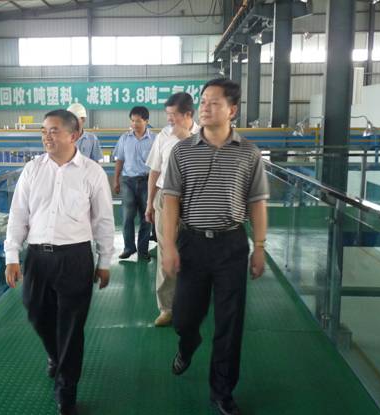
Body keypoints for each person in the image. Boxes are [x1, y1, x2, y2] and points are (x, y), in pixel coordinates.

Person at [162, 78, 268, 415]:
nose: (205, 108)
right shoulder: (182, 151)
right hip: (191, 243)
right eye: (203, 101)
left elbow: (257, 203)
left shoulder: (249, 153)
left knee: (229, 322)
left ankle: (222, 391)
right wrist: (168, 246)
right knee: (184, 317)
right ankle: (188, 342)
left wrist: (260, 246)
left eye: (214, 102)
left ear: (232, 110)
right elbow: (171, 201)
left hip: (231, 245)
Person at [4, 109, 114, 415]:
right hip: (37, 257)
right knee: (36, 313)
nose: (46, 136)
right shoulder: (32, 170)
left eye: (53, 130)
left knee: (71, 326)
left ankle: (66, 391)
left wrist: (105, 260)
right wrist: (12, 255)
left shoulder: (92, 172)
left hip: (75, 258)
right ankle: (55, 354)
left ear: (73, 135)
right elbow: (18, 215)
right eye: (43, 131)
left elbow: (103, 220)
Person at [145, 92, 200, 327]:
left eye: (173, 115)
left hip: (195, 202)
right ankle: (166, 308)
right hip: (165, 198)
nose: (169, 119)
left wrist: (187, 138)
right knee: (166, 251)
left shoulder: (204, 136)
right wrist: (149, 202)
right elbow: (155, 171)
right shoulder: (163, 136)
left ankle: (191, 304)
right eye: (167, 114)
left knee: (194, 253)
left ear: (188, 114)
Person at [113, 106, 156, 261]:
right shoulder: (124, 139)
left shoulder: (155, 140)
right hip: (128, 182)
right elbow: (120, 160)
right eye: (132, 121)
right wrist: (116, 180)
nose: (134, 124)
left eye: (138, 121)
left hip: (146, 181)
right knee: (127, 216)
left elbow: (158, 164)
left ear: (146, 121)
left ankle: (143, 250)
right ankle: (129, 247)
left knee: (146, 216)